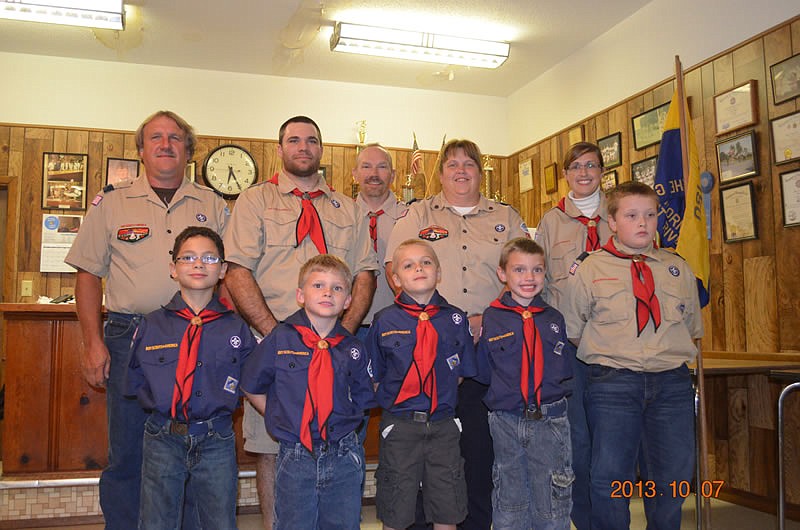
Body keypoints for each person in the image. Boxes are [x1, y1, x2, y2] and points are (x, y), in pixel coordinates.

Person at [65, 110, 228, 529]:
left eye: (175, 137)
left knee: (193, 445)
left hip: (199, 337)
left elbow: (230, 274)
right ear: (141, 150)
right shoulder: (112, 204)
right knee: (128, 450)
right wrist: (92, 343)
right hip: (128, 336)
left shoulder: (213, 203)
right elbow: (88, 274)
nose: (165, 144)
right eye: (155, 137)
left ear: (188, 151)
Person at [223, 115, 377, 528]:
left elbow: (364, 273)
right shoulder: (255, 201)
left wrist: (342, 335)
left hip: (336, 348)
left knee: (338, 444)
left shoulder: (349, 207)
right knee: (274, 448)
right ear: (280, 149)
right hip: (274, 343)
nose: (303, 147)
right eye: (294, 140)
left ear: (321, 149)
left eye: (311, 140)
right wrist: (282, 339)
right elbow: (237, 271)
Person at [385, 138, 528, 530]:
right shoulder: (416, 215)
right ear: (441, 172)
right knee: (424, 451)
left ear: (480, 172)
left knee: (479, 451)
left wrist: (487, 317)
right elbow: (395, 268)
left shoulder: (506, 216)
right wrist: (426, 319)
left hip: (489, 348)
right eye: (452, 164)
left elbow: (522, 272)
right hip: (430, 353)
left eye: (469, 164)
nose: (461, 170)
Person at [561, 182, 703, 530]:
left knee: (672, 475)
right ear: (612, 221)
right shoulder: (590, 270)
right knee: (610, 476)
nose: (643, 223)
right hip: (613, 384)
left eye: (650, 215)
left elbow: (691, 326)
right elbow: (574, 330)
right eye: (631, 215)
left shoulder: (677, 268)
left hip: (671, 383)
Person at [125, 226, 255, 529]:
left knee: (219, 519)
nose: (199, 264)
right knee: (157, 519)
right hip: (162, 437)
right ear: (173, 268)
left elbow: (249, 381)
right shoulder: (151, 325)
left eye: (209, 258)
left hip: (217, 438)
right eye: (189, 257)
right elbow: (135, 380)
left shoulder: (236, 328)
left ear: (222, 270)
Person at [241, 255, 375, 530]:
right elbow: (251, 384)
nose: (328, 292)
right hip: (296, 453)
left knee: (343, 523)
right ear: (300, 295)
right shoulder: (280, 338)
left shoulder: (352, 347)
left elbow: (363, 398)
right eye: (318, 286)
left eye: (337, 288)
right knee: (294, 523)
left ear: (347, 301)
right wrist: (278, 414)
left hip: (343, 453)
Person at [367, 239, 476, 530]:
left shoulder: (455, 318)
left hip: (443, 424)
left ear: (439, 272)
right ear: (395, 278)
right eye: (408, 265)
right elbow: (375, 375)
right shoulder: (384, 320)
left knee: (447, 503)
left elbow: (461, 371)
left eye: (426, 262)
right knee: (396, 504)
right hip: (400, 424)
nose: (419, 268)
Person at [533, 142, 612, 529]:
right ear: (565, 174)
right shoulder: (551, 222)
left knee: (612, 442)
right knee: (577, 440)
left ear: (602, 172)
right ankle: (583, 518)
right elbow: (541, 285)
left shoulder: (620, 215)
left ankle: (612, 515)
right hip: (573, 349)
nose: (584, 173)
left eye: (592, 166)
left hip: (617, 351)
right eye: (576, 167)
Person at [475, 237, 574, 530]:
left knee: (553, 493)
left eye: (537, 270)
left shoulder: (554, 318)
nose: (529, 278)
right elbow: (483, 371)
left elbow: (563, 369)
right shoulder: (492, 318)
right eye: (519, 270)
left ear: (545, 274)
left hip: (551, 418)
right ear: (502, 274)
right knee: (509, 491)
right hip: (506, 418)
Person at [353, 144, 408, 336]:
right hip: (349, 326)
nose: (374, 173)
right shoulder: (340, 218)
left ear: (393, 175)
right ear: (355, 174)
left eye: (382, 167)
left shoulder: (411, 219)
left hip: (400, 324)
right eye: (366, 166)